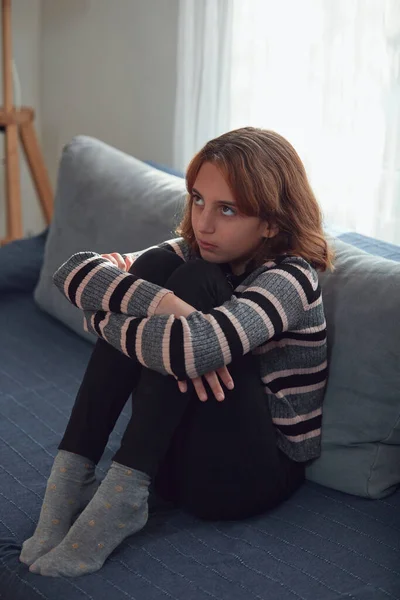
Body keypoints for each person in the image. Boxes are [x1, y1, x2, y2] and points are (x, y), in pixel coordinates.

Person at [19, 127, 333, 578]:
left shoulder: (292, 278)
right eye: (198, 199)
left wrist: (104, 321)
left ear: (271, 222)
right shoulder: (191, 249)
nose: (203, 223)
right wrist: (163, 303)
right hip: (171, 467)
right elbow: (74, 274)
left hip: (251, 476)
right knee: (156, 269)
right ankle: (73, 480)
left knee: (192, 283)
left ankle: (120, 498)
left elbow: (191, 349)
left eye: (227, 209)